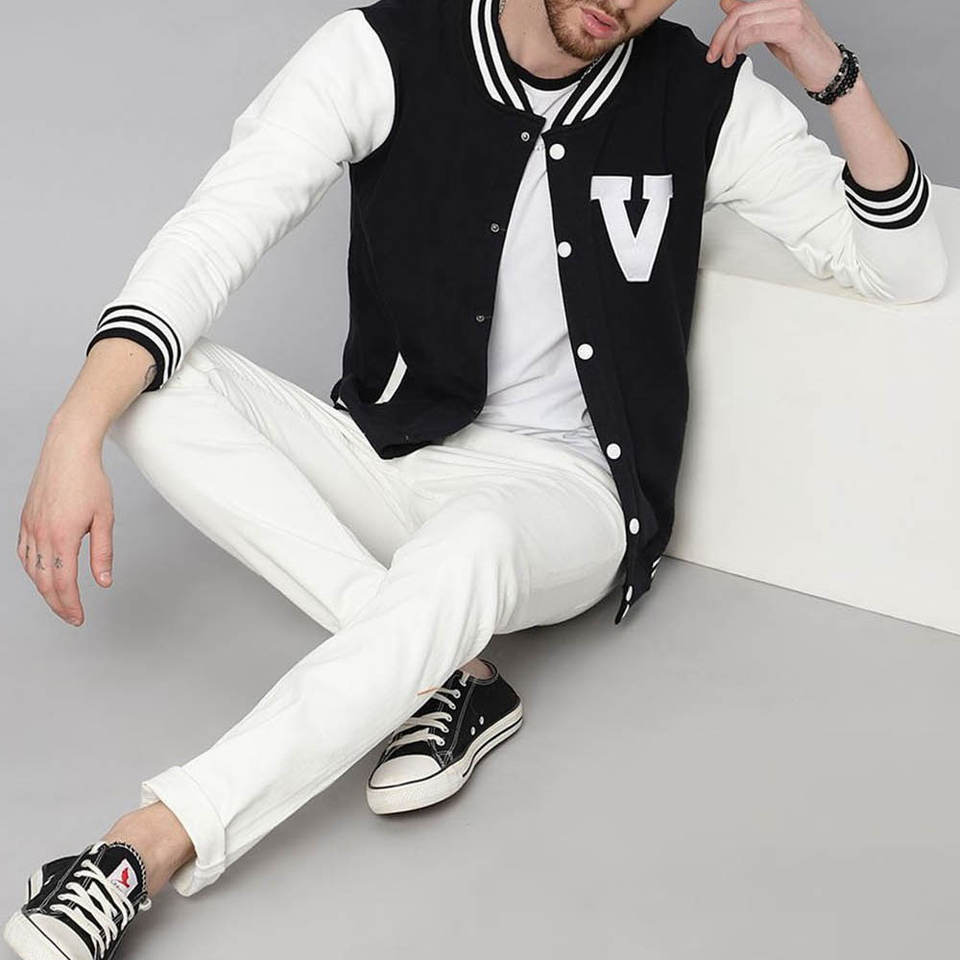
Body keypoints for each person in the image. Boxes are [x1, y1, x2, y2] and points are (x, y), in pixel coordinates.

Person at [7, 0, 948, 955]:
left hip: (568, 495)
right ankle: (449, 674)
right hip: (390, 455)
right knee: (151, 387)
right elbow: (215, 230)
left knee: (473, 538)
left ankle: (147, 844)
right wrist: (72, 428)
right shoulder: (383, 51)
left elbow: (904, 268)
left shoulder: (701, 94)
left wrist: (825, 65)